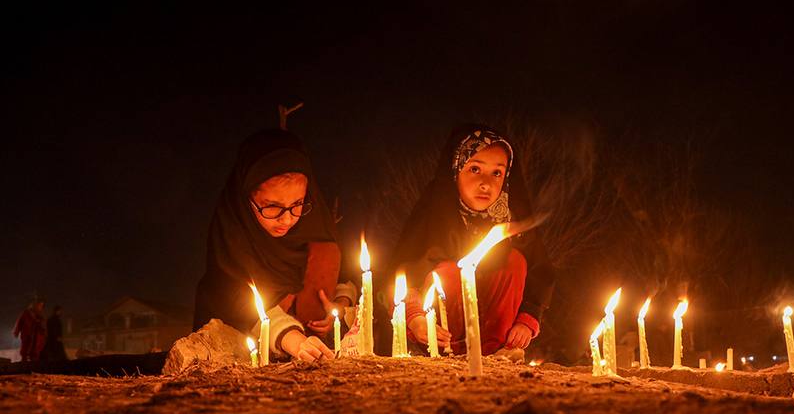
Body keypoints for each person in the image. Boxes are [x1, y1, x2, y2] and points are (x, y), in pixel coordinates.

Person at [387, 124, 556, 356]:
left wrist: (525, 321)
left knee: (514, 261)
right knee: (448, 273)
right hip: (437, 342)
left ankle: (495, 351)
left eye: (497, 173)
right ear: (455, 171)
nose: (486, 182)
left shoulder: (512, 225)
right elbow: (403, 275)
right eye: (475, 169)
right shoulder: (433, 217)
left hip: (495, 345)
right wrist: (416, 319)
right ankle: (449, 348)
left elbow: (537, 276)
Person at [193, 129, 356, 362]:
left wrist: (340, 305)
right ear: (245, 199)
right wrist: (291, 337)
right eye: (272, 206)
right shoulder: (233, 241)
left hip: (313, 359)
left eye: (297, 203)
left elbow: (345, 274)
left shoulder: (315, 225)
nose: (287, 219)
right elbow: (238, 301)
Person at [13, 297, 47, 362]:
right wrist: (16, 332)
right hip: (27, 334)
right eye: (39, 305)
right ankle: (24, 361)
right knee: (26, 348)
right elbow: (20, 322)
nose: (40, 307)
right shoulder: (26, 313)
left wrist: (44, 332)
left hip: (37, 335)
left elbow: (43, 326)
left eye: (42, 305)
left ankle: (34, 363)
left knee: (35, 350)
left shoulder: (41, 314)